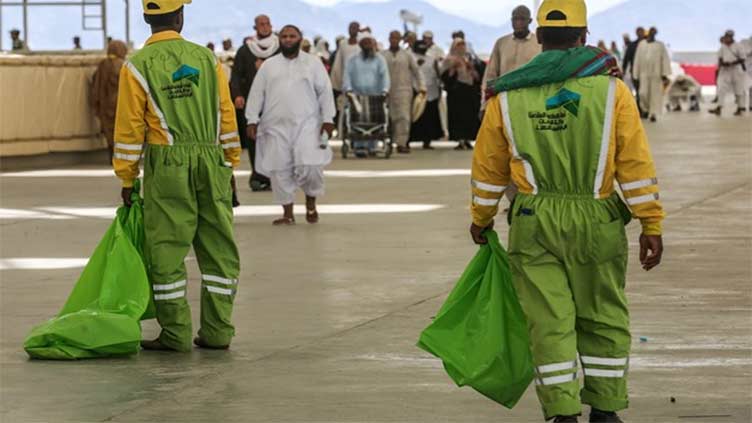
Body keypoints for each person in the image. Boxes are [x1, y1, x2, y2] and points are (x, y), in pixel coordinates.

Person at [470, 0, 664, 421]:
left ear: (538, 36)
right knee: (603, 315)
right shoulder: (613, 91)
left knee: (548, 321)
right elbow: (634, 163)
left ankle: (562, 411)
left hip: (533, 222)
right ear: (584, 37)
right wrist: (650, 220)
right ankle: (607, 408)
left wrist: (481, 218)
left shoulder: (506, 96)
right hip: (597, 219)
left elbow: (488, 168)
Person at [114, 0, 242, 352]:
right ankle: (218, 332)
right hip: (211, 159)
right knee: (219, 249)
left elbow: (129, 127)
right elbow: (225, 115)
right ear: (180, 16)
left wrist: (127, 178)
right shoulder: (207, 60)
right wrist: (229, 161)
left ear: (146, 18)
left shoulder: (136, 66)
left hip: (167, 165)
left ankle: (176, 333)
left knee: (167, 249)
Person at [246, 25, 336, 226]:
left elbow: (325, 92)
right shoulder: (269, 65)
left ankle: (311, 204)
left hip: (308, 124)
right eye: (284, 36)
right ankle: (287, 213)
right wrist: (252, 119)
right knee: (279, 169)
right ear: (280, 39)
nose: (288, 39)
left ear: (300, 39)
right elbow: (256, 93)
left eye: (292, 36)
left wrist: (328, 119)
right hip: (275, 126)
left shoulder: (313, 64)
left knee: (311, 166)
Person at [230, 14, 279, 192]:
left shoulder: (279, 48)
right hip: (252, 103)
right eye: (261, 24)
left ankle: (276, 175)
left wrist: (265, 67)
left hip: (276, 102)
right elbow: (236, 75)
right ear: (255, 27)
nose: (265, 27)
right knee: (254, 139)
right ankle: (258, 175)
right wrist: (237, 95)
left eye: (267, 23)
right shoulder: (246, 50)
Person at [481, 5, 542, 108]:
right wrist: (484, 105)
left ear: (530, 21)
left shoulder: (539, 44)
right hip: (503, 101)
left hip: (530, 102)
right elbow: (490, 75)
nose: (518, 22)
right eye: (515, 19)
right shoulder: (501, 43)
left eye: (522, 19)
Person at [382, 30, 426, 154]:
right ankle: (389, 141)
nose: (394, 40)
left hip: (404, 91)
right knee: (388, 118)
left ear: (400, 39)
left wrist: (422, 86)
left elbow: (417, 71)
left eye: (396, 38)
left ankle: (401, 143)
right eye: (392, 38)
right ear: (389, 39)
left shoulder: (407, 55)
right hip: (387, 91)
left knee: (403, 118)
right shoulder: (383, 55)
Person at [90, 40, 128, 162]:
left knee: (109, 130)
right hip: (122, 103)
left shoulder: (102, 65)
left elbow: (96, 85)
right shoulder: (124, 65)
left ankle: (111, 154)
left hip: (105, 104)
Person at [442, 38, 482, 150]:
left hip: (469, 91)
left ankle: (468, 139)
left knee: (469, 115)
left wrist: (471, 69)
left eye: (463, 45)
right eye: (459, 45)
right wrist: (453, 68)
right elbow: (444, 76)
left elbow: (477, 77)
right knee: (457, 115)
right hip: (457, 92)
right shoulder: (449, 59)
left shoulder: (469, 58)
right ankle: (460, 139)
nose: (461, 48)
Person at [410, 40, 443, 149]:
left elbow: (438, 74)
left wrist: (439, 89)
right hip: (416, 90)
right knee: (415, 115)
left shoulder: (431, 59)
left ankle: (427, 141)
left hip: (431, 92)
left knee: (429, 118)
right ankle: (409, 140)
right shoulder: (410, 57)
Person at [633, 27, 671, 122]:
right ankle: (646, 109)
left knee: (655, 95)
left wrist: (665, 74)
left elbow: (665, 60)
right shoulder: (641, 45)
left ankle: (653, 114)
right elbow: (637, 59)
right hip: (643, 74)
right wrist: (635, 74)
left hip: (656, 75)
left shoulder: (660, 45)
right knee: (642, 93)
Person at [709, 30, 747, 116]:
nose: (726, 38)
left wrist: (732, 63)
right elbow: (720, 58)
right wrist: (722, 65)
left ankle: (740, 108)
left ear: (731, 37)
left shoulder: (738, 46)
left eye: (728, 37)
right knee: (721, 87)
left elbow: (743, 58)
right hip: (725, 70)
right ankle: (719, 107)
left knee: (738, 89)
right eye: (725, 36)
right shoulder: (723, 47)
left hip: (736, 70)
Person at [343, 32, 389, 96]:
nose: (368, 45)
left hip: (376, 96)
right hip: (356, 96)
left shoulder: (380, 59)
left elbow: (385, 76)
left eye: (369, 43)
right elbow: (347, 76)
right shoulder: (352, 60)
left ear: (372, 44)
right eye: (365, 43)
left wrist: (385, 90)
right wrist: (348, 89)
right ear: (360, 45)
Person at [330, 22, 363, 93]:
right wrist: (337, 82)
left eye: (354, 28)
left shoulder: (362, 43)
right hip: (346, 79)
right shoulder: (343, 43)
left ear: (358, 30)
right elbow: (338, 64)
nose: (352, 30)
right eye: (350, 28)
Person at [622, 27, 646, 114]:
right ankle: (640, 109)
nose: (640, 34)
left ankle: (645, 108)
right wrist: (623, 70)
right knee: (639, 91)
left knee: (645, 91)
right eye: (639, 32)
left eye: (641, 32)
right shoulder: (632, 45)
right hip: (635, 72)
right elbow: (626, 59)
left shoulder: (649, 44)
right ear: (636, 33)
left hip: (646, 72)